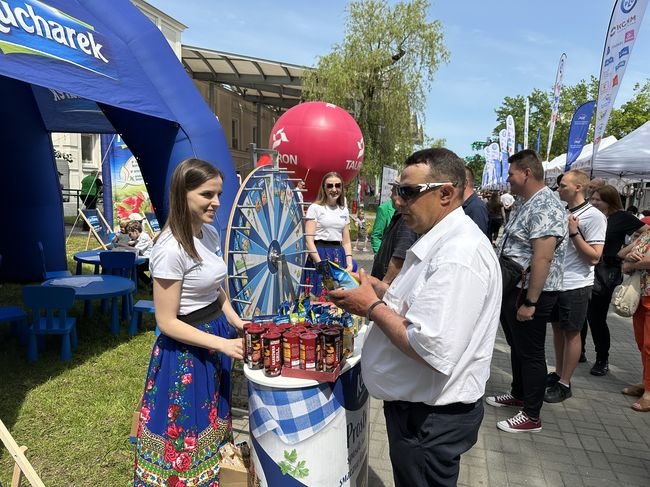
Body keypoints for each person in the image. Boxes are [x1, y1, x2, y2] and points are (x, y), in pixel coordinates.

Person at [329, 148, 501, 487]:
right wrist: (378, 291)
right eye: (397, 190)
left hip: (429, 418)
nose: (397, 202)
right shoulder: (442, 240)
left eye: (408, 192)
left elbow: (431, 347)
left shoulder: (458, 255)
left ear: (446, 194)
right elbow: (418, 306)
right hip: (422, 412)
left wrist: (372, 308)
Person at [134, 158, 245, 485]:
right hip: (186, 352)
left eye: (219, 194)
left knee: (212, 420)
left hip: (215, 339)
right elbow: (167, 321)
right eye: (207, 194)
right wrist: (223, 343)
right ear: (183, 194)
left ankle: (213, 476)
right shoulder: (170, 249)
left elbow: (215, 288)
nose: (216, 202)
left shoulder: (208, 234)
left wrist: (236, 321)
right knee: (187, 429)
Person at [486, 149, 567, 433]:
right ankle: (519, 393)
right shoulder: (526, 202)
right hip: (515, 288)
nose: (507, 179)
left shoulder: (546, 205)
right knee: (518, 347)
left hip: (532, 294)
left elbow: (542, 257)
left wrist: (531, 302)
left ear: (527, 173)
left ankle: (532, 415)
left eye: (511, 174)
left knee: (531, 353)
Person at [545, 170, 606, 403]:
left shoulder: (594, 216)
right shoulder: (564, 211)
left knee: (572, 333)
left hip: (576, 283)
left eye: (563, 186)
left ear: (579, 187)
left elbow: (594, 257)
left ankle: (565, 383)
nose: (559, 189)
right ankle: (559, 373)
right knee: (558, 330)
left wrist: (574, 234)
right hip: (557, 281)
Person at [583, 185, 648, 376]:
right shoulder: (591, 215)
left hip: (607, 271)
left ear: (610, 201)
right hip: (585, 268)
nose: (594, 202)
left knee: (596, 317)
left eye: (598, 200)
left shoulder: (622, 217)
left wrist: (629, 250)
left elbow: (647, 232)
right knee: (580, 314)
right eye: (592, 198)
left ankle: (602, 358)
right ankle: (578, 352)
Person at [303, 172, 353, 298]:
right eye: (330, 186)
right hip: (319, 255)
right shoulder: (315, 208)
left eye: (338, 185)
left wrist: (349, 262)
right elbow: (308, 240)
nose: (334, 189)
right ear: (324, 188)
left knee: (338, 298)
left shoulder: (344, 210)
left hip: (338, 256)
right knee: (318, 296)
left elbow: (346, 241)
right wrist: (320, 264)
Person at [619, 217, 650, 412]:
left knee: (649, 345)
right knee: (642, 344)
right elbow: (624, 260)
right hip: (641, 295)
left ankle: (649, 392)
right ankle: (646, 383)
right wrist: (632, 260)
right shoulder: (646, 236)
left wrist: (636, 262)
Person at [370, 182, 419, 284]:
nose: (390, 195)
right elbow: (376, 236)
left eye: (392, 191)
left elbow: (400, 257)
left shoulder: (406, 220)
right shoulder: (398, 214)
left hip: (388, 285)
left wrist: (384, 283)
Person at [461, 166, 489, 235]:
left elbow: (478, 239)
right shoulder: (468, 205)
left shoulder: (476, 208)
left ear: (464, 183)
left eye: (453, 182)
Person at [125, 220, 153, 286]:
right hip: (142, 258)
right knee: (133, 267)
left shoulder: (144, 237)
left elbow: (135, 250)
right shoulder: (138, 237)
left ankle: (149, 283)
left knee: (136, 269)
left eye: (130, 234)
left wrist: (124, 247)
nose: (129, 236)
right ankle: (137, 283)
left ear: (136, 231)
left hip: (148, 259)